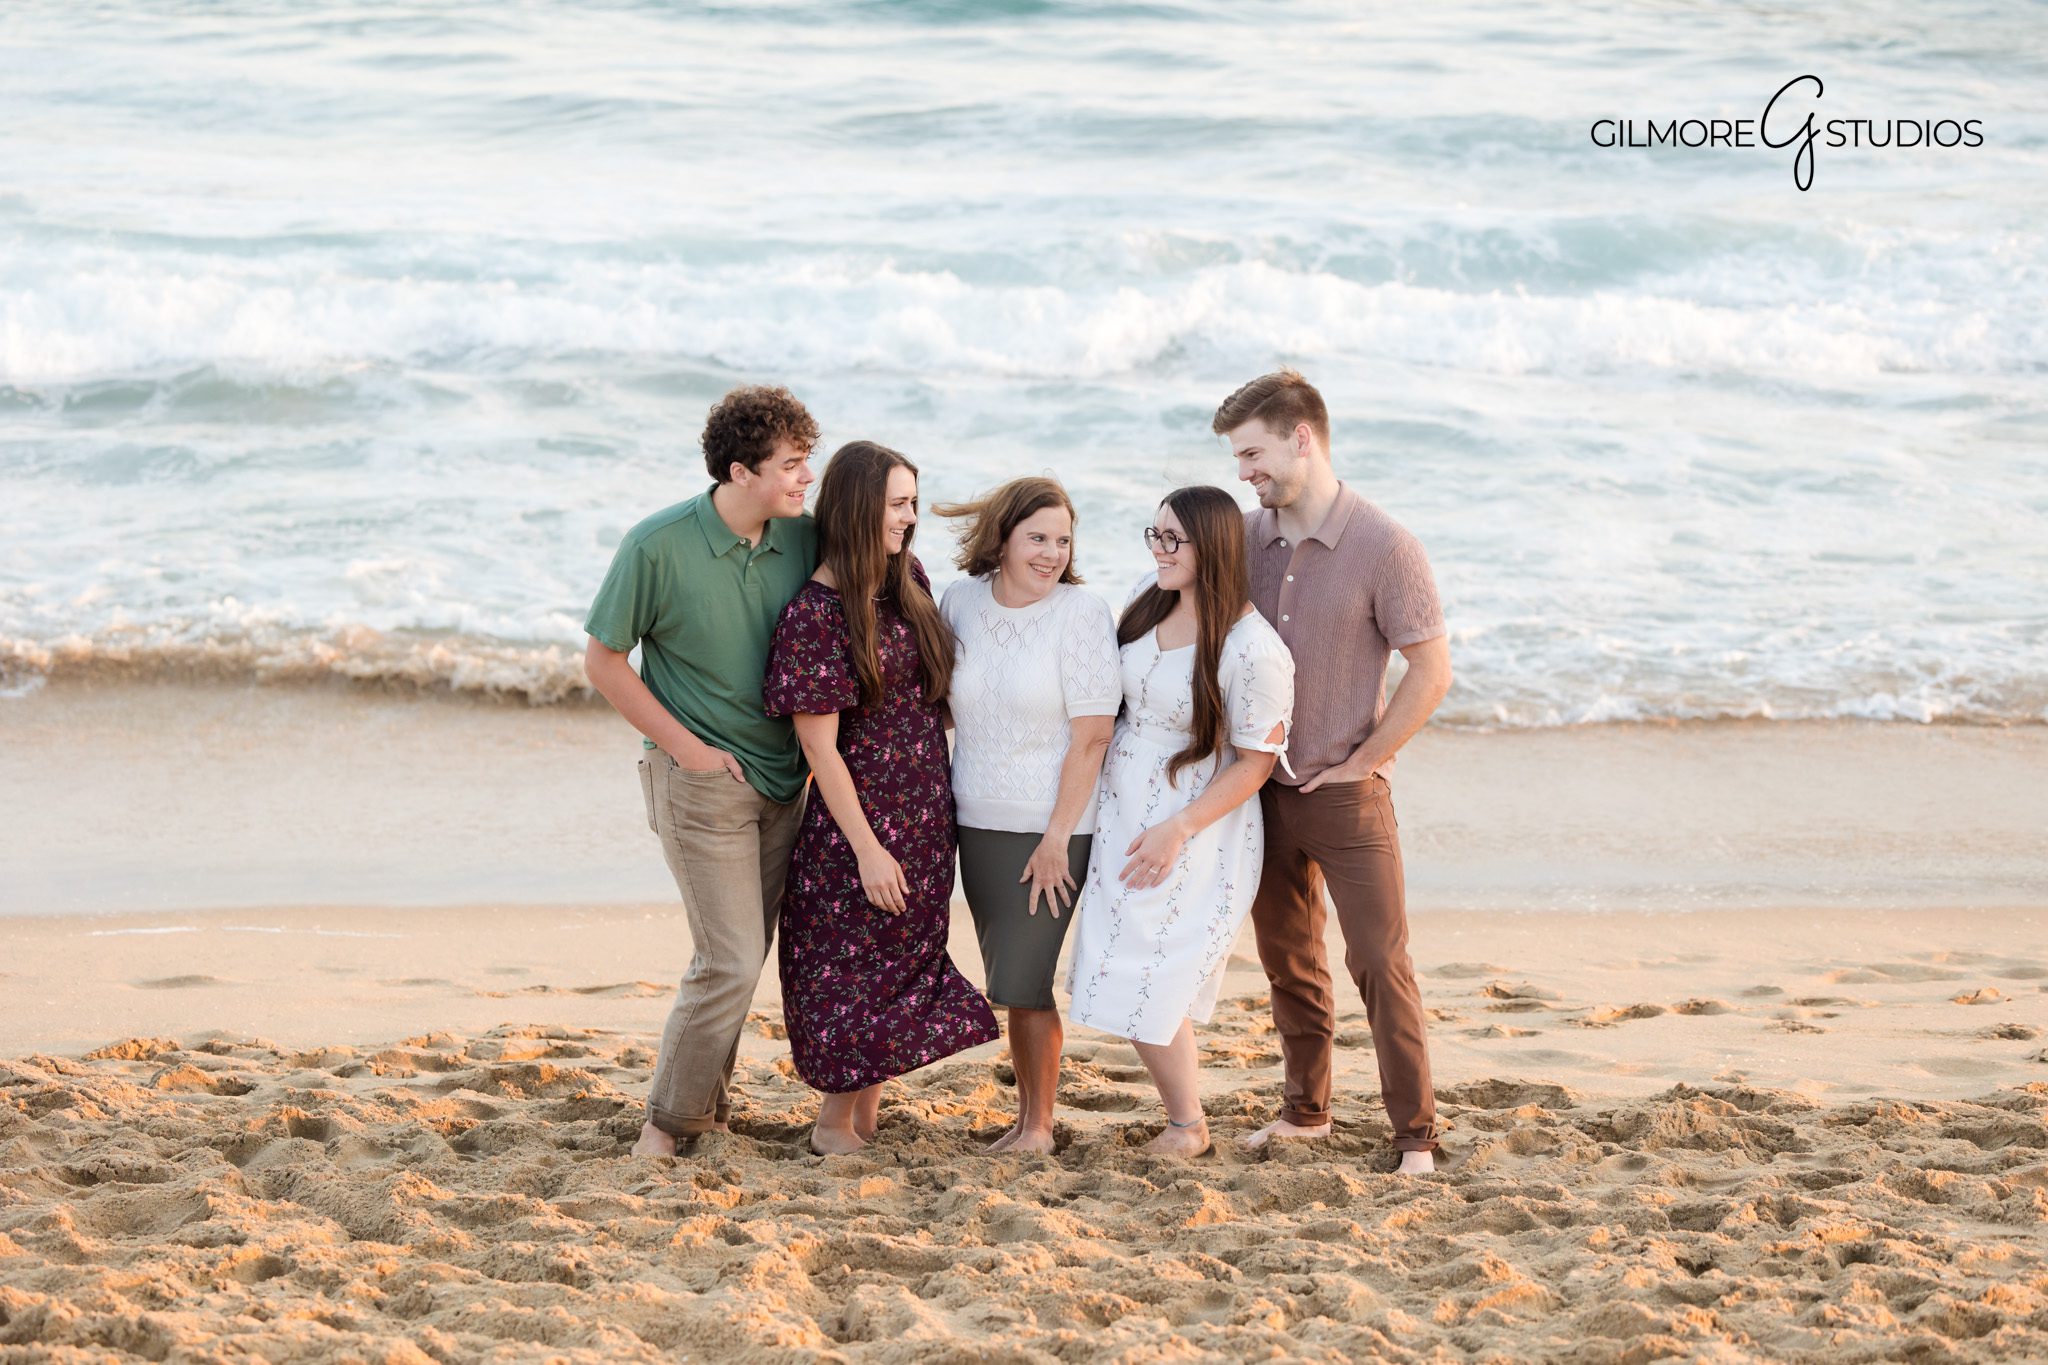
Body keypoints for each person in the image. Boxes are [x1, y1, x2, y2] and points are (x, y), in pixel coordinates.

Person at [1216, 370, 1453, 1177]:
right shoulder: (1244, 538)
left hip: (1348, 795)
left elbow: (1431, 671)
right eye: (1237, 457)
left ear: (1302, 438)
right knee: (1289, 962)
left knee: (1380, 963)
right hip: (1260, 792)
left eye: (1253, 454)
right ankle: (1306, 1112)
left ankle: (1415, 1137)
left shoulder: (1387, 545)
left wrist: (1365, 760)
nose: (1244, 472)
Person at [582, 384, 822, 1159]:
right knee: (727, 960)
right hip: (700, 782)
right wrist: (685, 749)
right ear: (741, 471)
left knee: (740, 961)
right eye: (791, 464)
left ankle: (708, 1112)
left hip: (785, 782)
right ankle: (666, 1125)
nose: (806, 477)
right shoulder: (655, 545)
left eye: (808, 461)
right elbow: (603, 661)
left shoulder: (803, 538)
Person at [763, 440, 999, 1155]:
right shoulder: (815, 615)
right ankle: (833, 1126)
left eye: (913, 503)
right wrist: (867, 850)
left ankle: (862, 1120)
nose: (909, 517)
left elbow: (930, 700)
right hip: (857, 829)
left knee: (899, 967)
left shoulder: (908, 582)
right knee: (855, 974)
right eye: (898, 504)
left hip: (927, 817)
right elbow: (820, 749)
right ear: (860, 507)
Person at [1065, 485, 1294, 1156]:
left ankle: (1188, 1125)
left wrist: (1179, 828)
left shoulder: (1253, 649)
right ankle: (1184, 1118)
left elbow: (1255, 763)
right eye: (1154, 534)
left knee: (1155, 969)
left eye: (1173, 539)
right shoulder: (1150, 595)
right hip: (1120, 808)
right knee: (1119, 961)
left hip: (1194, 822)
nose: (1158, 551)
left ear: (1212, 547)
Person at [935, 477, 1121, 1155]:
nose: (1051, 553)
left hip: (1052, 828)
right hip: (974, 819)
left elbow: (1093, 735)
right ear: (1003, 538)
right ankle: (1024, 1120)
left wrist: (1055, 837)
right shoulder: (960, 600)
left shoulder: (1081, 612)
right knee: (1011, 982)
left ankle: (1039, 1127)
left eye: (1062, 540)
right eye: (1037, 537)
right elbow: (947, 705)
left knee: (1027, 976)